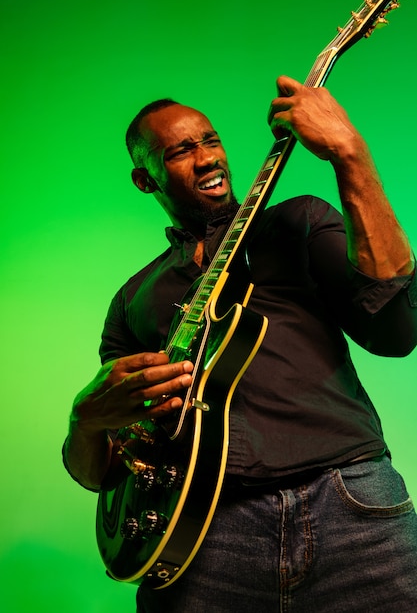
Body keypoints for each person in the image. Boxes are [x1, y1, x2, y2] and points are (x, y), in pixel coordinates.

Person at [63, 75, 417, 612]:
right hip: (203, 537)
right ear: (144, 179)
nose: (206, 158)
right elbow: (108, 471)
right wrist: (84, 420)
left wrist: (350, 154)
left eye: (210, 140)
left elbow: (397, 330)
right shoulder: (134, 300)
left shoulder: (296, 223)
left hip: (351, 505)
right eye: (181, 150)